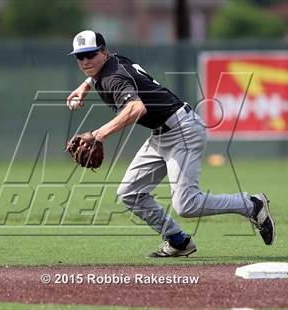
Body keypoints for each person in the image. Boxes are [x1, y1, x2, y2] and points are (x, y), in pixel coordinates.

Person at [66, 30, 275, 257]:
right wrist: (85, 86)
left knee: (187, 205)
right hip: (161, 134)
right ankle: (178, 241)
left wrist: (97, 134)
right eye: (80, 57)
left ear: (103, 53)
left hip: (183, 130)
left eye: (90, 54)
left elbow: (136, 109)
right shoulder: (113, 62)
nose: (85, 61)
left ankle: (251, 205)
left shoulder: (113, 77)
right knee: (130, 193)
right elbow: (99, 71)